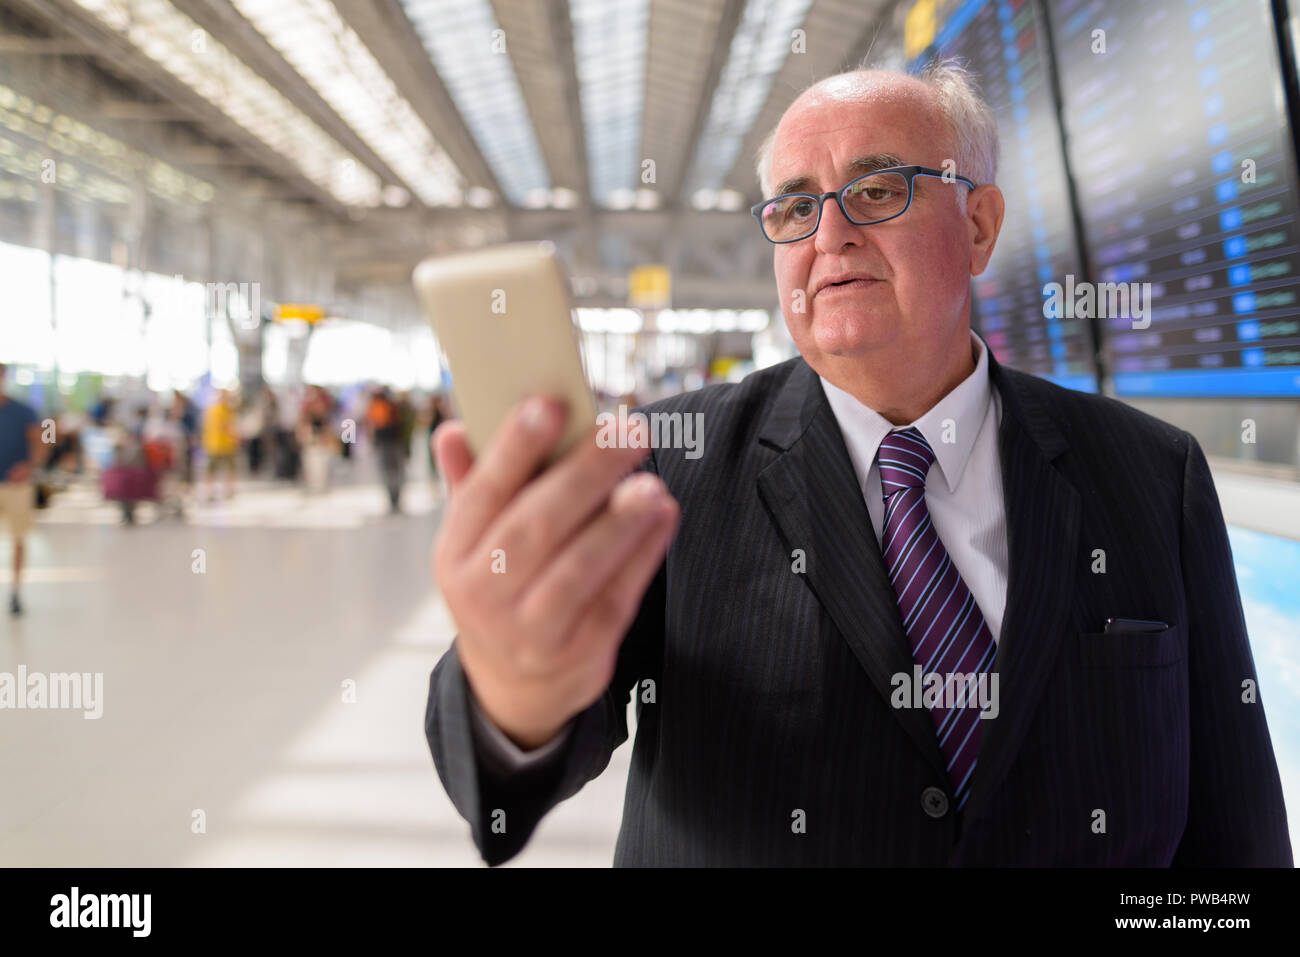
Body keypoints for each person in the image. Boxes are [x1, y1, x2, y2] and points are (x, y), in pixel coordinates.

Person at [423, 63, 1292, 866]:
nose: (829, 233)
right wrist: (511, 689)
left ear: (980, 224)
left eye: (877, 190)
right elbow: (499, 785)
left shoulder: (1150, 475)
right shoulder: (666, 468)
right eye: (795, 209)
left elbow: (1234, 827)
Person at [0, 363, 43, 616]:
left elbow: (41, 441)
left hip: (15, 484)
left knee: (18, 537)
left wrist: (29, 466)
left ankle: (15, 591)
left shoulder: (23, 411)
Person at [201, 389, 240, 501]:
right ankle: (221, 491)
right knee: (219, 469)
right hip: (220, 444)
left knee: (221, 470)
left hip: (218, 444)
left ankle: (225, 490)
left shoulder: (213, 410)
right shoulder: (223, 411)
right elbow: (226, 427)